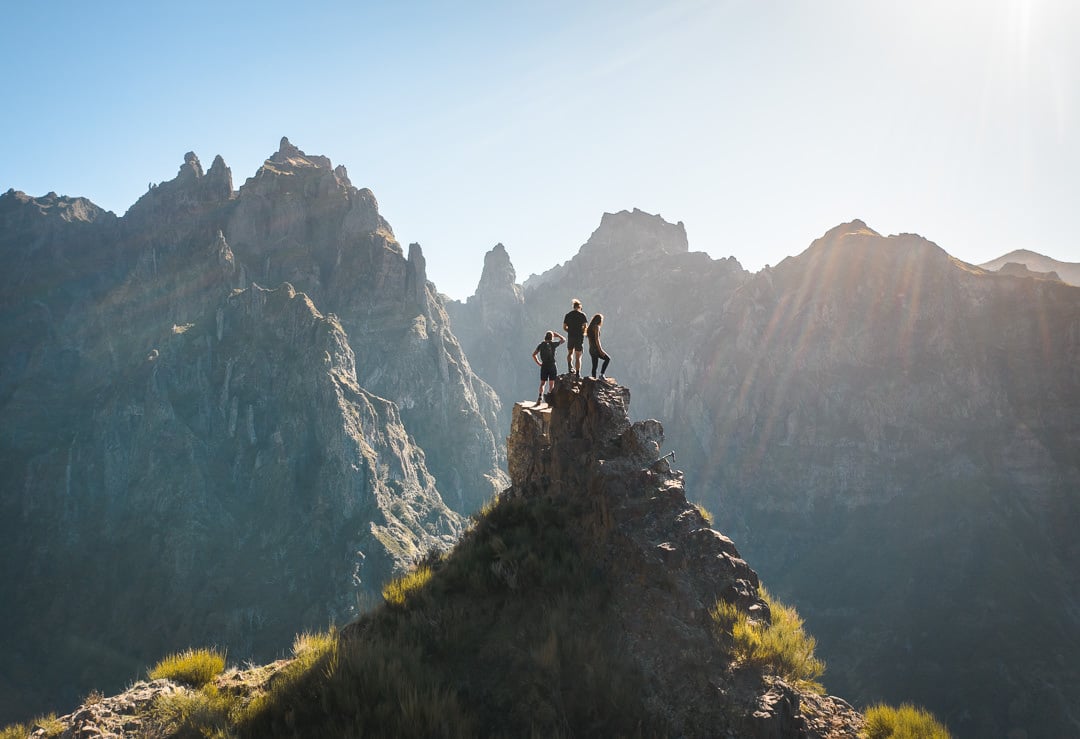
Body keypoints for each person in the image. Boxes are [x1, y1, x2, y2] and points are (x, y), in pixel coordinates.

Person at [531, 330, 565, 404]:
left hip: (544, 365)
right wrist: (557, 335)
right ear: (552, 337)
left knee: (542, 383)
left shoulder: (541, 345)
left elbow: (534, 355)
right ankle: (550, 399)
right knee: (551, 383)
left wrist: (539, 363)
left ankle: (540, 396)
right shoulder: (553, 344)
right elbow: (563, 340)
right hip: (552, 365)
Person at [562, 298, 588, 376]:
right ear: (579, 307)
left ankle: (570, 366)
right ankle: (577, 373)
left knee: (570, 353)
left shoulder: (568, 315)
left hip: (571, 336)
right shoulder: (582, 315)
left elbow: (564, 327)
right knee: (578, 356)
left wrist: (569, 331)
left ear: (573, 306)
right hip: (579, 337)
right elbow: (585, 326)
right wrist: (582, 332)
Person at [586, 313, 611, 380]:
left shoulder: (589, 328)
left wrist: (591, 348)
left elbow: (590, 340)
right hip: (596, 349)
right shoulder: (596, 327)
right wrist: (600, 350)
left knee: (594, 366)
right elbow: (597, 339)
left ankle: (593, 379)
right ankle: (602, 375)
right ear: (599, 320)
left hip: (591, 348)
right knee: (607, 359)